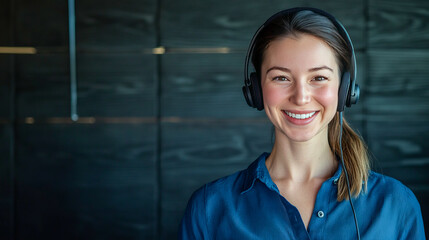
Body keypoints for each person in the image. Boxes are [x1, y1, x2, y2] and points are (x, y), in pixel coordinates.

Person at [179, 7, 425, 239]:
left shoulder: (395, 204)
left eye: (318, 77)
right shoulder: (210, 207)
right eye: (281, 77)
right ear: (256, 90)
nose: (301, 97)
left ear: (345, 90)